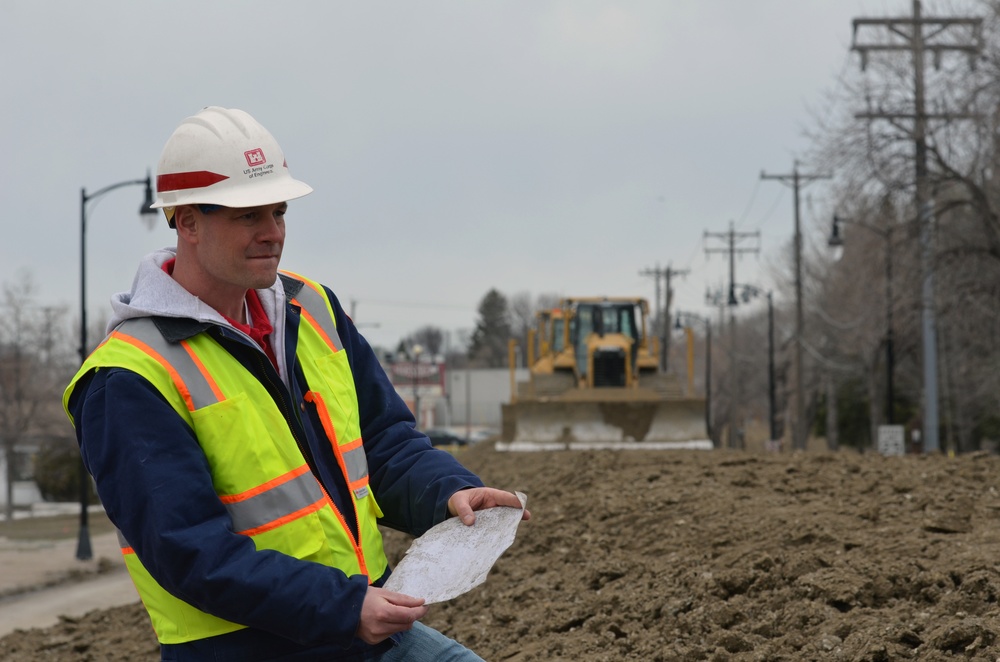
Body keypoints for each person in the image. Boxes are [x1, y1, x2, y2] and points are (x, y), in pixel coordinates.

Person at [63, 106, 530, 661]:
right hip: (248, 648)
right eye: (248, 216)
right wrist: (341, 606)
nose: (273, 233)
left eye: (279, 212)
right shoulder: (129, 378)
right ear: (186, 220)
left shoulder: (314, 310)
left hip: (363, 627)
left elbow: (384, 445)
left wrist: (448, 491)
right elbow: (188, 551)